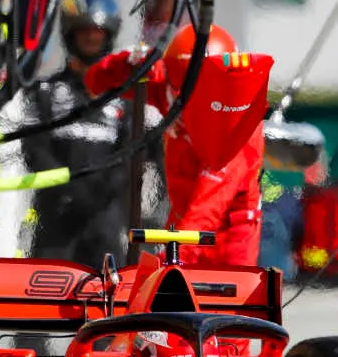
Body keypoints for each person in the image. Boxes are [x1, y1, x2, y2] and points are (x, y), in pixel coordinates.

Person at [87, 23, 273, 266]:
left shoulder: (238, 125)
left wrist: (168, 265)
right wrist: (127, 63)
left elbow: (207, 211)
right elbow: (96, 82)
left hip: (229, 245)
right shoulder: (168, 88)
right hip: (181, 228)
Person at [20, 0, 128, 265]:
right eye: (85, 32)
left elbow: (132, 154)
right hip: (56, 218)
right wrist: (70, 191)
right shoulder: (44, 90)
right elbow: (34, 148)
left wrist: (101, 195)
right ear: (70, 35)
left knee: (110, 301)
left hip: (106, 220)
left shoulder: (126, 96)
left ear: (109, 35)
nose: (91, 39)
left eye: (97, 33)